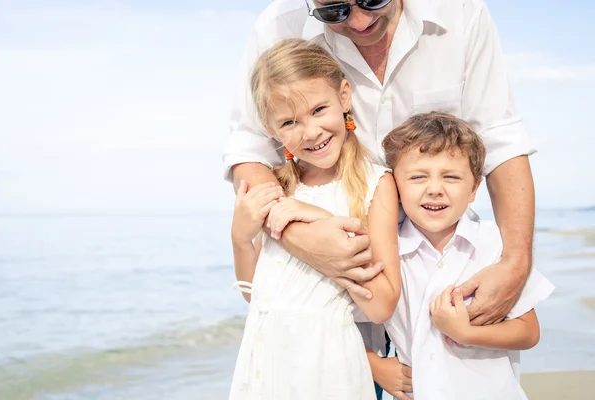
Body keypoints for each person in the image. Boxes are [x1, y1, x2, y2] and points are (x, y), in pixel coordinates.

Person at [224, 0, 537, 397]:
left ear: (343, 97)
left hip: (429, 267)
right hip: (299, 357)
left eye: (372, 0)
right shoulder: (276, 25)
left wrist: (516, 260)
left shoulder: (462, 13)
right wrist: (291, 235)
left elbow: (501, 138)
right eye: (333, 11)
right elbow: (248, 149)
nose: (359, 20)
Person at [229, 38, 400, 400]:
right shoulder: (276, 189)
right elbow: (257, 295)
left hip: (329, 364)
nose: (310, 132)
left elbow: (382, 304)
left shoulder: (375, 185)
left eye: (319, 109)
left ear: (343, 97)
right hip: (266, 358)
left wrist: (318, 217)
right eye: (289, 121)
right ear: (270, 128)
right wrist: (241, 240)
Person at [378, 112, 554, 399]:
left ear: (474, 188)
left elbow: (528, 332)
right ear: (395, 187)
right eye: (418, 177)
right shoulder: (387, 250)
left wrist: (466, 333)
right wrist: (374, 366)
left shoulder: (496, 245)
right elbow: (343, 323)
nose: (435, 189)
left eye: (451, 177)